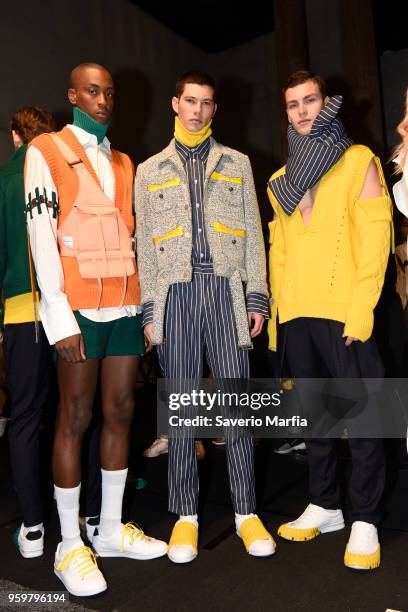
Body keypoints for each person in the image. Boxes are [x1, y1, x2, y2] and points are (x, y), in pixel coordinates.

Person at [25, 63, 167, 597]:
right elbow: (42, 236)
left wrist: (146, 309)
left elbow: (131, 238)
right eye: (92, 90)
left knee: (122, 412)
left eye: (109, 92)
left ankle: (108, 530)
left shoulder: (125, 161)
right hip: (78, 310)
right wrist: (57, 317)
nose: (103, 99)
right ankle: (69, 542)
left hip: (125, 307)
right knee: (74, 417)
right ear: (72, 95)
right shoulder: (47, 152)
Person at [136, 70, 274, 564]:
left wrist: (256, 296)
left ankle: (246, 511)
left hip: (225, 292)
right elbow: (145, 255)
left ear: (215, 110)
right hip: (175, 297)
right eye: (189, 101)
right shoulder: (149, 170)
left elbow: (255, 236)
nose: (197, 110)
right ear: (175, 104)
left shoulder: (237, 163)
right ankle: (185, 517)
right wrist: (150, 311)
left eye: (206, 103)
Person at [267, 70, 392, 570]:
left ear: (326, 103)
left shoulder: (358, 159)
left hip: (344, 308)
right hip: (297, 310)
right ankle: (324, 504)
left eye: (309, 100)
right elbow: (278, 252)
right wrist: (278, 317)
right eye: (292, 103)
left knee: (363, 414)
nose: (301, 110)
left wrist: (362, 306)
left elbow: (377, 239)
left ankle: (365, 517)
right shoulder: (279, 180)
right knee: (315, 416)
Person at [0, 107, 55, 558]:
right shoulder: (61, 170)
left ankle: (34, 526)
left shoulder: (5, 179)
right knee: (74, 416)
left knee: (25, 420)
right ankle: (83, 513)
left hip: (23, 313)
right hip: (72, 313)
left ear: (16, 136)